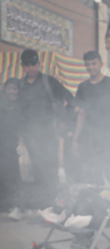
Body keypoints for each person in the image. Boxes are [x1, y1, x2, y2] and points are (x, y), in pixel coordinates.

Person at [17, 48, 74, 209]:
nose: (30, 68)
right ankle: (42, 206)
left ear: (39, 63)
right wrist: (21, 134)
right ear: (22, 66)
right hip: (30, 136)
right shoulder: (21, 85)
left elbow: (68, 98)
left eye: (33, 64)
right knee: (36, 169)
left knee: (50, 167)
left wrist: (65, 121)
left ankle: (54, 204)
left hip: (49, 134)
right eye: (27, 65)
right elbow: (20, 111)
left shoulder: (48, 81)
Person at [72, 50, 110, 183]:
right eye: (87, 64)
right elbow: (81, 113)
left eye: (94, 64)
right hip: (90, 138)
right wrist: (75, 139)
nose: (91, 67)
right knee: (91, 174)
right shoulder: (83, 87)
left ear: (101, 64)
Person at [0, 79, 22, 216]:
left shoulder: (22, 105)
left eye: (14, 88)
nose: (12, 91)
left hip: (15, 145)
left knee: (13, 175)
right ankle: (3, 204)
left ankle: (15, 204)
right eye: (9, 89)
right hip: (2, 143)